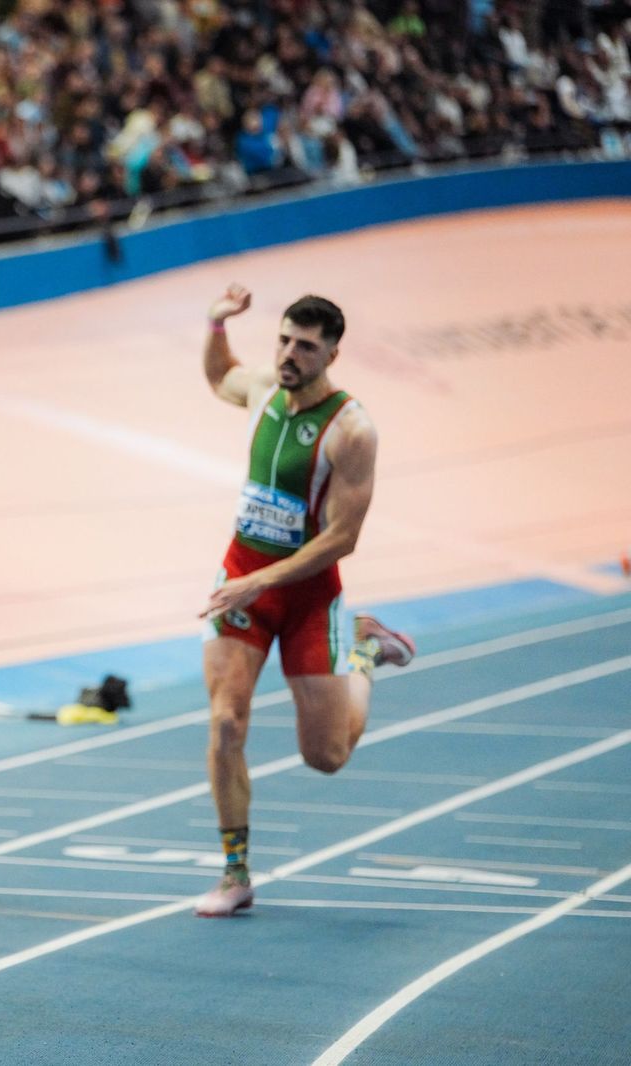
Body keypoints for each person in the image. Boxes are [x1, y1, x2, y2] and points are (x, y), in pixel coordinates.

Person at [194, 283, 415, 917]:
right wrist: (215, 327)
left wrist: (265, 580)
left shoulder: (352, 430)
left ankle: (366, 651)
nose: (290, 354)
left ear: (332, 355)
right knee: (226, 722)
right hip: (242, 583)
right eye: (285, 339)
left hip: (308, 597)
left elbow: (343, 538)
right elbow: (220, 380)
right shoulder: (266, 387)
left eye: (306, 347)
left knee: (325, 757)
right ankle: (235, 873)